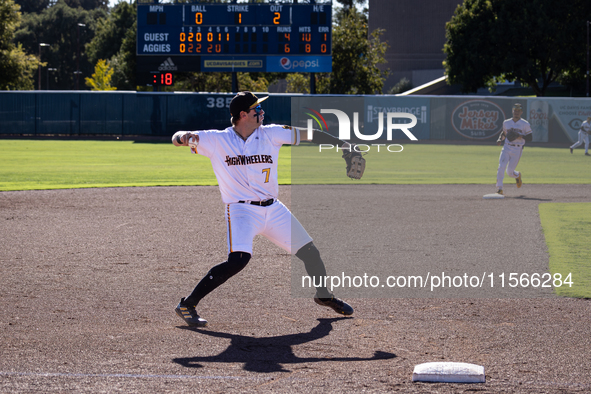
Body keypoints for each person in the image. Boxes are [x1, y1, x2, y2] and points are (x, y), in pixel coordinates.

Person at [171, 91, 354, 327]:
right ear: (243, 114)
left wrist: (342, 144)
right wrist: (183, 136)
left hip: (273, 209)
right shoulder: (217, 140)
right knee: (238, 260)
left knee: (310, 252)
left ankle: (324, 295)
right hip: (241, 211)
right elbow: (176, 138)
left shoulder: (271, 133)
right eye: (257, 108)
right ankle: (187, 304)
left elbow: (309, 134)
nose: (262, 112)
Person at [495, 103, 532, 195]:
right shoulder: (506, 122)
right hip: (506, 147)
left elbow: (530, 138)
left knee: (510, 172)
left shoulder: (525, 124)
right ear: (512, 111)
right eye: (515, 110)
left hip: (517, 149)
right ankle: (500, 189)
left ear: (521, 112)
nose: (516, 112)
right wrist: (500, 139)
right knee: (501, 167)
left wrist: (520, 136)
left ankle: (517, 175)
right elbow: (504, 133)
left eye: (518, 111)